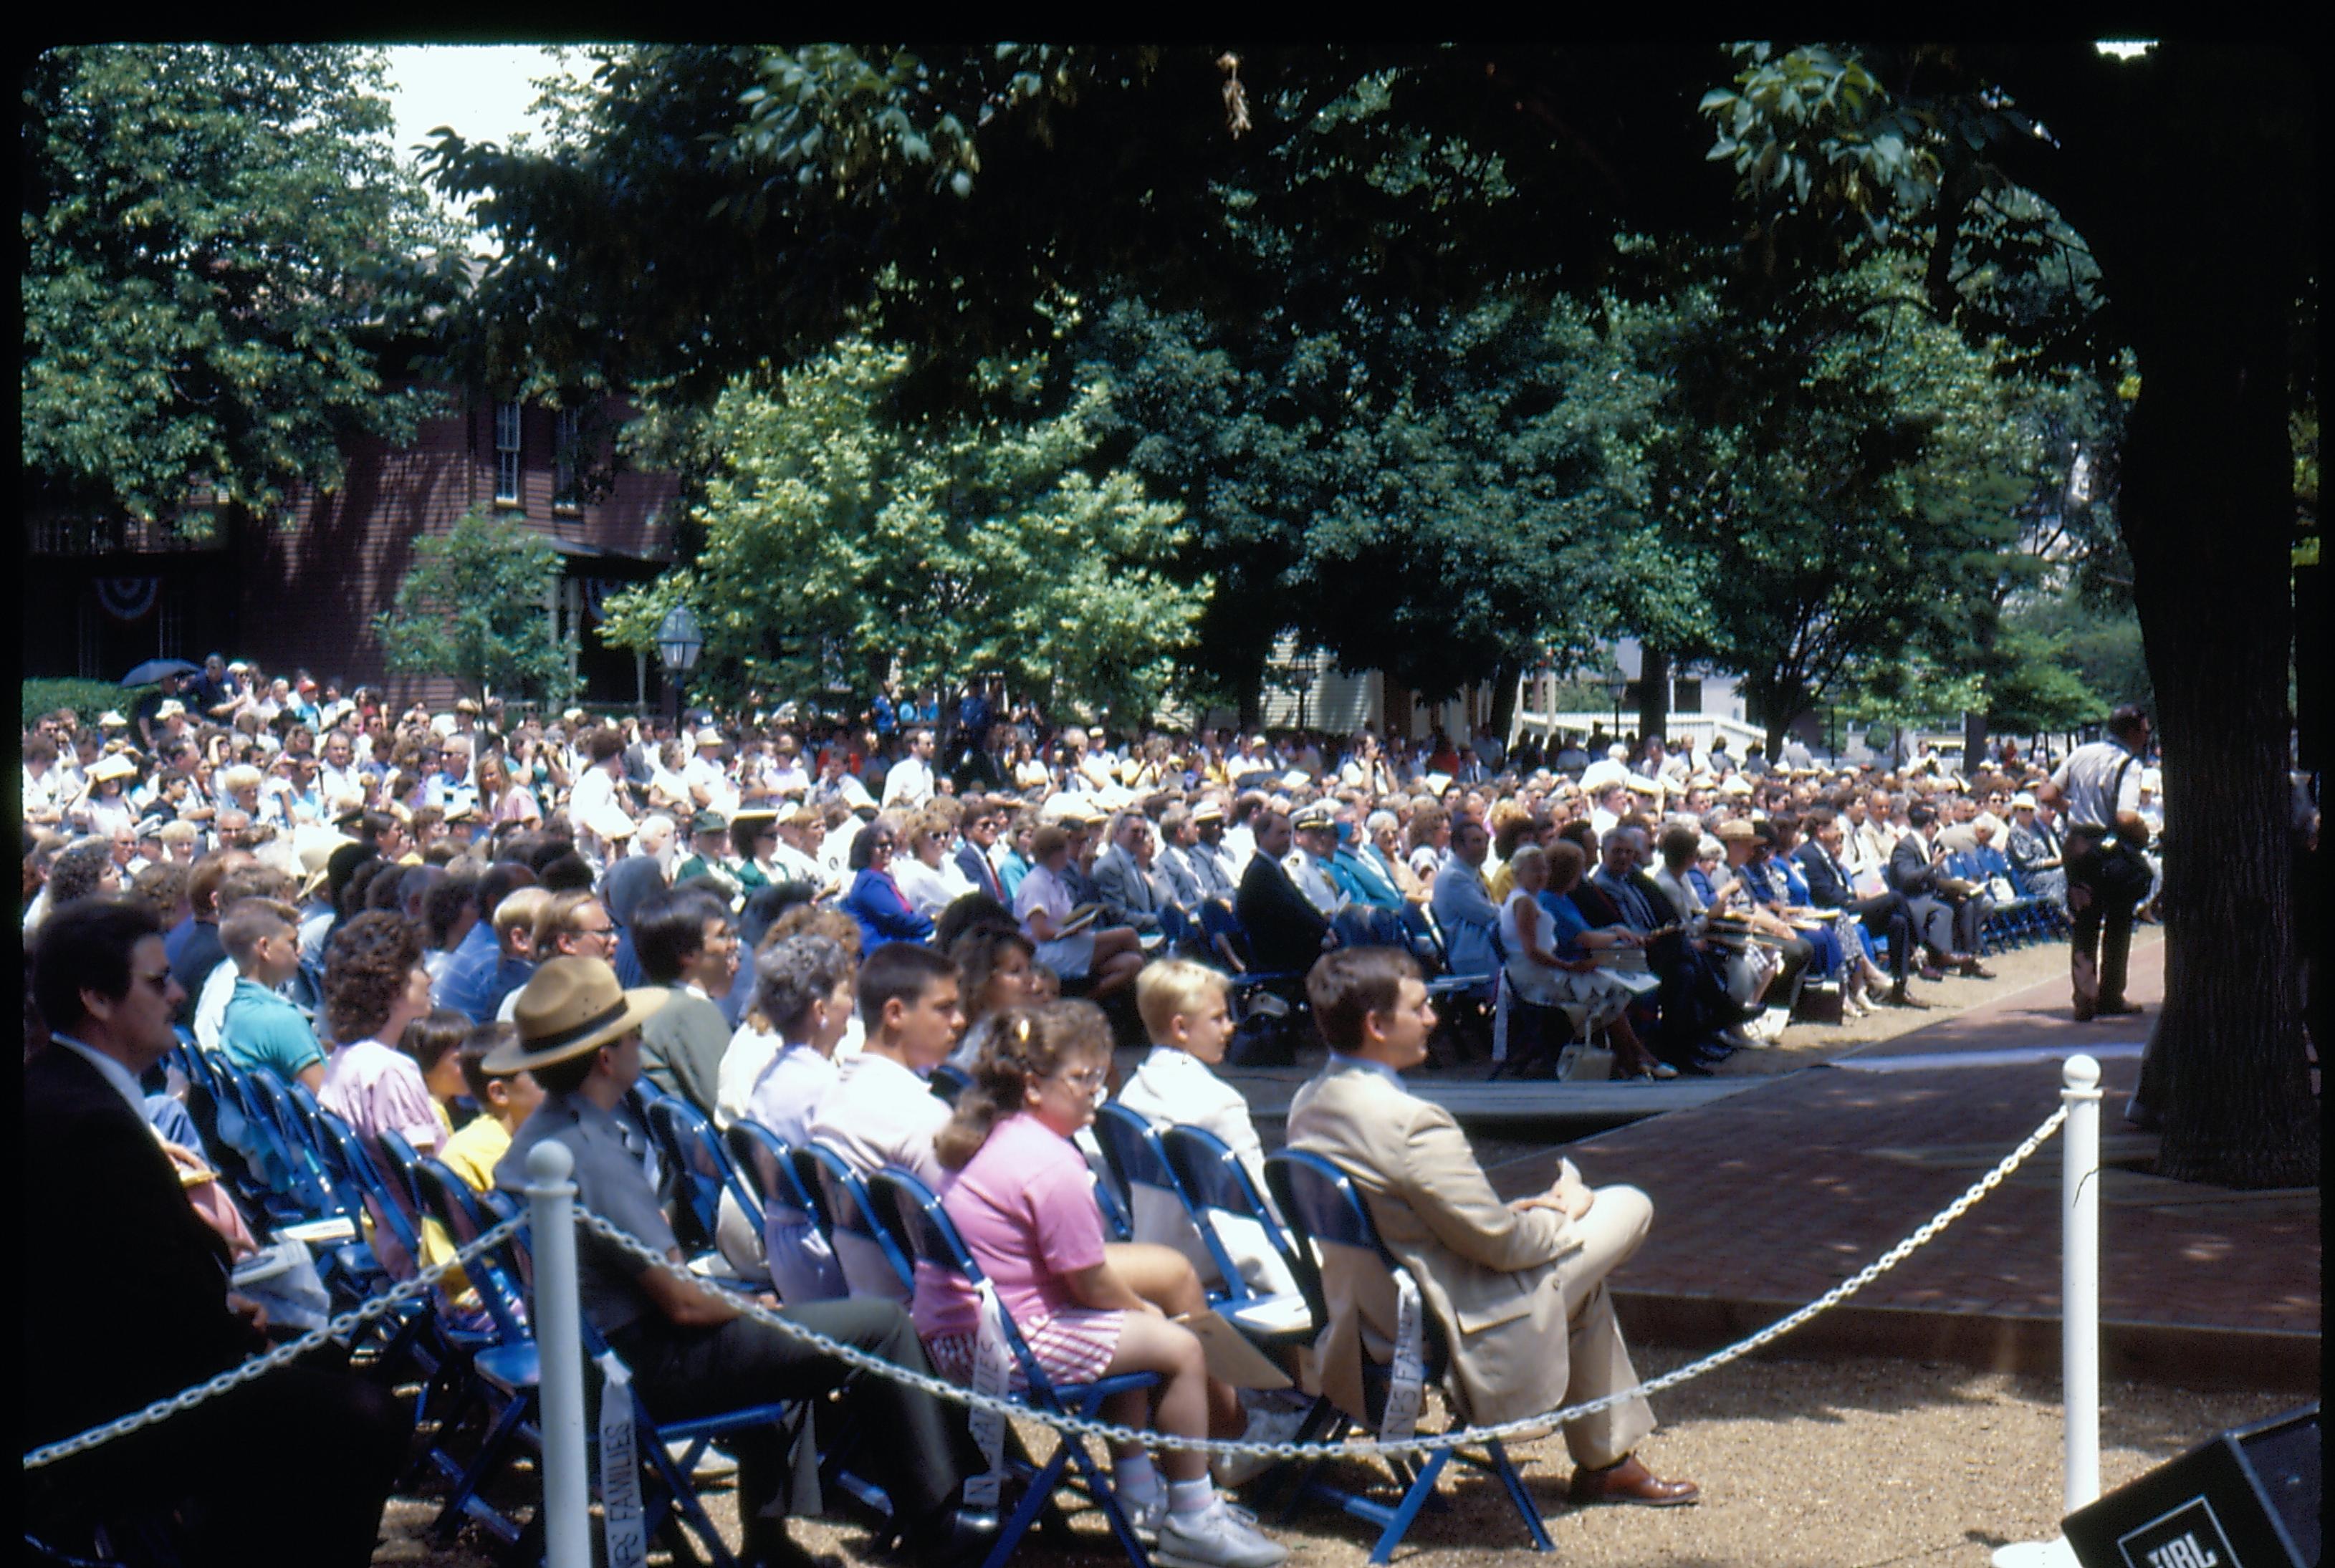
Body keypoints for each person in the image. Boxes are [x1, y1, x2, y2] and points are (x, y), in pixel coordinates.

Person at [490, 956, 995, 1568]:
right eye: (630, 1036)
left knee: (794, 1331)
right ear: (605, 1057)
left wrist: (746, 1308)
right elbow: (680, 1298)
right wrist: (747, 1304)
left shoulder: (542, 1134)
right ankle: (939, 1517)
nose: (638, 1044)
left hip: (596, 1359)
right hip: (643, 1365)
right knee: (881, 1323)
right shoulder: (591, 1151)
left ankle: (770, 1538)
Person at [25, 897, 408, 1568]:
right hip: (103, 1414)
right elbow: (128, 1300)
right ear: (96, 998)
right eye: (156, 981)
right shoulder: (86, 1119)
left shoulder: (67, 1090)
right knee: (363, 1419)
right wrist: (232, 1329)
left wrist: (224, 1309)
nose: (177, 992)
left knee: (321, 1367)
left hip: (111, 1378)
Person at [1284, 948, 1697, 1509]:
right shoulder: (1411, 1122)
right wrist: (1559, 1209)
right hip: (1448, 1319)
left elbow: (1426, 1217)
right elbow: (1500, 1246)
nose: (1433, 1018)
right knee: (1627, 1203)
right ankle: (1604, 1462)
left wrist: (1519, 1213)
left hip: (1365, 1311)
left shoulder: (1307, 1102)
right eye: (1420, 1007)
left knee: (1581, 1288)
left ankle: (1610, 1462)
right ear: (1376, 1026)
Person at [916, 999, 1285, 1568]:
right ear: (1033, 1086)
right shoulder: (1048, 1162)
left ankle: (1138, 1488)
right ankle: (1193, 1518)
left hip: (957, 1332)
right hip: (1000, 1347)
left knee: (1127, 1331)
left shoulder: (991, 1131)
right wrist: (1147, 1313)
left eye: (1098, 1076)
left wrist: (1134, 1314)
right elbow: (1088, 1282)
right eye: (1082, 1079)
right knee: (1178, 1346)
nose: (1097, 1090)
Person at [1114, 960, 1300, 1297]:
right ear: (1181, 1028)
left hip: (1155, 1246)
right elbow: (1266, 1201)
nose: (1230, 1027)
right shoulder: (1218, 1101)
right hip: (1214, 1259)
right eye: (1218, 1018)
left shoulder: (1133, 1090)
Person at [805, 942, 964, 1299]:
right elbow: (971, 1232)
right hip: (933, 1315)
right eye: (944, 1009)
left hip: (867, 1297)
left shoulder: (835, 1095)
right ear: (895, 1014)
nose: (959, 1020)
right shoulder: (920, 1117)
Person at [738, 933, 856, 1304]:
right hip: (824, 1265)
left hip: (789, 1254)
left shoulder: (772, 1074)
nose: (852, 1005)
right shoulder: (823, 1088)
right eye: (845, 994)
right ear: (821, 1011)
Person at [2041, 705, 2154, 1021]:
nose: (2146, 736)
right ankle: (2111, 995)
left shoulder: (2082, 753)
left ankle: (2084, 998)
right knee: (2118, 922)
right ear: (2132, 732)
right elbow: (2125, 815)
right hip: (2111, 848)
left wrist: (2073, 808)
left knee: (2085, 922)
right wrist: (2142, 833)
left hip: (2077, 845)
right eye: (2145, 730)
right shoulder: (2129, 764)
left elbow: (2047, 793)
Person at [633, 884, 742, 1117]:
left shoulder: (650, 1003)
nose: (734, 945)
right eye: (723, 936)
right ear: (688, 954)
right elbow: (731, 1110)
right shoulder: (690, 1011)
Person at [216, 895, 327, 1090]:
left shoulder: (237, 1009)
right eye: (292, 942)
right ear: (264, 947)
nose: (300, 950)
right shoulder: (281, 1020)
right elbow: (328, 1100)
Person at [841, 820, 936, 952]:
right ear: (867, 849)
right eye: (882, 846)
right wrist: (935, 921)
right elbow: (900, 920)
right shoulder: (869, 882)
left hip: (902, 941)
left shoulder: (883, 877)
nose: (889, 849)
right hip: (885, 951)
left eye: (891, 844)